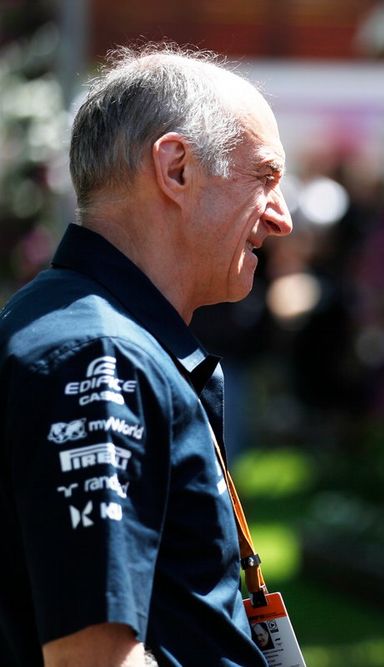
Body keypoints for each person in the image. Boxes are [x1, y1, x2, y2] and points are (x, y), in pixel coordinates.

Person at [0, 44, 292, 666]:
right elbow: (94, 660)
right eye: (264, 177)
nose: (282, 218)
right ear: (176, 169)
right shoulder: (99, 355)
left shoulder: (88, 334)